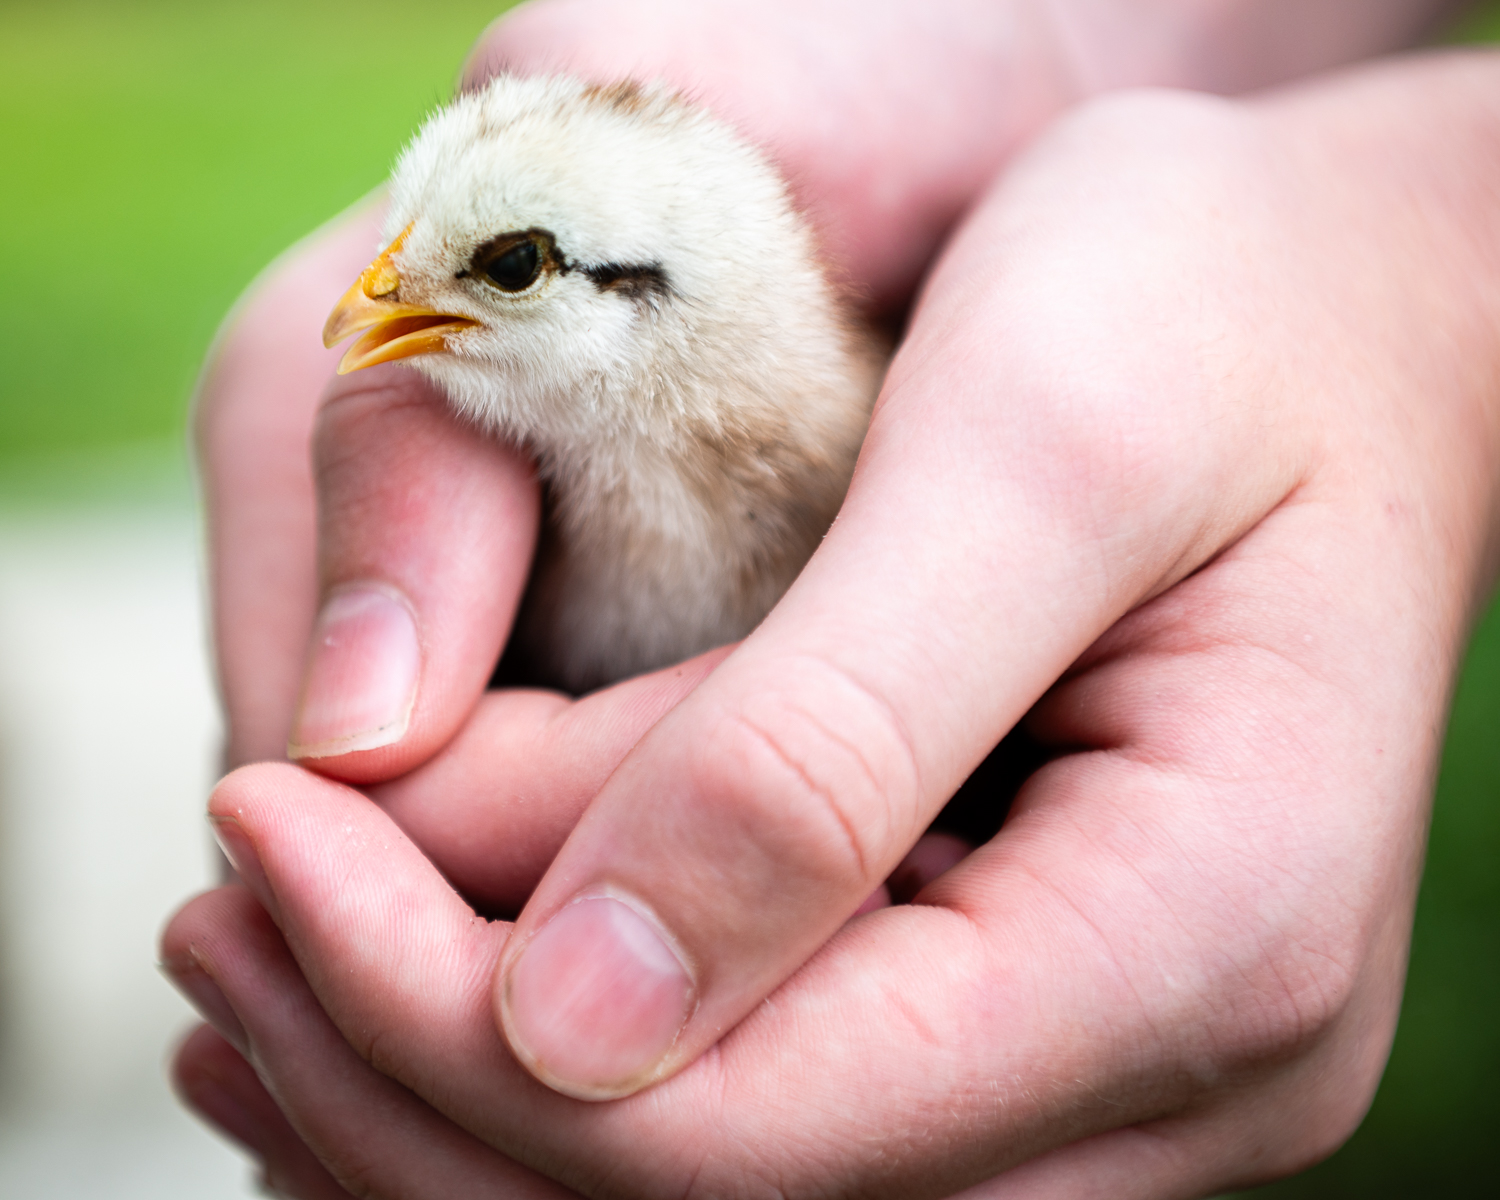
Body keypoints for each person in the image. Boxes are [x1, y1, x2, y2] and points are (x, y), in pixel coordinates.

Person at [161, 0, 1500, 1195]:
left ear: (653, 299)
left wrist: (1430, 271)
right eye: (408, 246)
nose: (379, 298)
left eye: (500, 266)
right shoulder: (562, 465)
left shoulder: (874, 454)